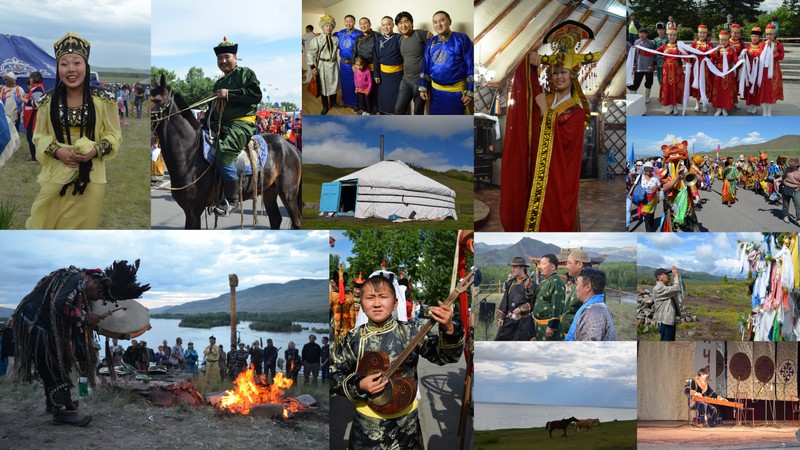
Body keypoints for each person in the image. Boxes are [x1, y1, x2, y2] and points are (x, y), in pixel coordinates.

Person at [330, 274, 463, 449]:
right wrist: (359, 385)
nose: (377, 303)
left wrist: (449, 328)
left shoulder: (412, 332)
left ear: (395, 303)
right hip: (366, 427)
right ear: (361, 304)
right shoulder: (354, 338)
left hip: (406, 427)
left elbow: (446, 357)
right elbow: (333, 374)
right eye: (370, 298)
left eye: (383, 297)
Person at [12, 260, 148, 426]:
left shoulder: (81, 283)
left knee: (51, 363)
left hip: (40, 325)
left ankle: (54, 403)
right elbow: (60, 303)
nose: (97, 298)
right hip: (34, 325)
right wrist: (85, 317)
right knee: (53, 364)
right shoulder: (75, 279)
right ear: (95, 282)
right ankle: (63, 411)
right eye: (99, 293)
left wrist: (87, 317)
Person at [500, 21, 599, 232]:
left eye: (563, 72)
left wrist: (545, 110)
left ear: (572, 74)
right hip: (534, 168)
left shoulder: (576, 110)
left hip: (556, 178)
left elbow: (564, 143)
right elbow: (527, 102)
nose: (558, 76)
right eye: (555, 72)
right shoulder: (544, 95)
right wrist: (531, 57)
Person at [26, 32, 121, 230]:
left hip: (91, 177)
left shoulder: (103, 99)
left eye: (77, 63)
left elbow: (113, 135)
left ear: (86, 66)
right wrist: (58, 151)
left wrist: (93, 151)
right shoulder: (47, 101)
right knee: (51, 225)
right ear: (57, 68)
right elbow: (39, 136)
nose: (71, 69)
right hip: (55, 176)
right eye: (64, 64)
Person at [205, 37, 262, 216]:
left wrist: (230, 93)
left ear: (235, 58)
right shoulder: (218, 83)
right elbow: (212, 109)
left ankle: (233, 200)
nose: (223, 61)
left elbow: (255, 95)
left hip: (241, 124)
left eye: (227, 57)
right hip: (220, 124)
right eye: (219, 58)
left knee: (224, 150)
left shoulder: (245, 73)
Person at [419, 11, 473, 115]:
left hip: (457, 93)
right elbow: (425, 66)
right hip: (436, 93)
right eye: (435, 22)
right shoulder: (430, 42)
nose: (438, 24)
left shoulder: (462, 39)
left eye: (442, 20)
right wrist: (423, 88)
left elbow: (470, 65)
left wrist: (470, 91)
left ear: (450, 21)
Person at [566, 268, 616, 341]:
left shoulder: (594, 313)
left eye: (577, 284)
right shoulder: (596, 308)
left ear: (588, 287)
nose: (576, 288)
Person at [394, 11, 429, 115]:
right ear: (397, 26)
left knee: (418, 111)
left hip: (420, 81)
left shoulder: (421, 34)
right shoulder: (400, 40)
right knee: (398, 110)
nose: (403, 25)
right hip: (405, 80)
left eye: (406, 22)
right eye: (400, 23)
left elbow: (434, 51)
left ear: (411, 22)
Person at [494, 257, 535, 341]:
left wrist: (521, 309)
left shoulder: (531, 283)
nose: (512, 269)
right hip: (510, 320)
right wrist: (501, 317)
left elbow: (534, 302)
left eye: (515, 267)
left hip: (524, 322)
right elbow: (505, 300)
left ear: (522, 268)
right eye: (512, 267)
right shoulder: (510, 283)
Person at [308, 15, 340, 115]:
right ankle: (325, 106)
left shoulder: (336, 39)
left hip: (334, 64)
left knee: (334, 83)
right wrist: (313, 67)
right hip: (323, 65)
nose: (329, 28)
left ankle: (333, 102)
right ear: (322, 27)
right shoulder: (317, 40)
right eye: (326, 25)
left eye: (330, 26)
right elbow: (310, 53)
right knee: (323, 86)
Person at [532, 254, 566, 341]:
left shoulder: (556, 281)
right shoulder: (544, 282)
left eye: (543, 264)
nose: (540, 267)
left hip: (548, 328)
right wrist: (529, 289)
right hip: (540, 326)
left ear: (552, 267)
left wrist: (551, 326)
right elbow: (534, 298)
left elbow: (557, 305)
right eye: (540, 264)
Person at [373, 16, 403, 114]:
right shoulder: (379, 40)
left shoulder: (400, 38)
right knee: (384, 96)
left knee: (396, 97)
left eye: (388, 24)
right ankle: (383, 113)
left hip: (397, 75)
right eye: (383, 25)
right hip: (383, 75)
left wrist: (425, 34)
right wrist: (376, 74)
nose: (386, 27)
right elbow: (376, 58)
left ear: (393, 25)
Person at [561, 249, 592, 334]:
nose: (567, 267)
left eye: (569, 263)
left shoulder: (589, 285)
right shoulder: (578, 283)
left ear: (579, 264)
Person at [655, 27, 684, 115]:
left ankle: (676, 107)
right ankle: (670, 107)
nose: (672, 37)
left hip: (677, 71)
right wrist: (639, 49)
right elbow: (653, 52)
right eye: (670, 35)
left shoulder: (679, 46)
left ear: (676, 36)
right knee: (667, 88)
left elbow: (685, 56)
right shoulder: (664, 46)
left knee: (676, 88)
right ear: (667, 35)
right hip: (666, 70)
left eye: (674, 35)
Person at [336, 15, 363, 110]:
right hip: (343, 63)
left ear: (354, 22)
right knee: (344, 83)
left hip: (354, 64)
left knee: (355, 84)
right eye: (346, 21)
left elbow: (361, 50)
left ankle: (355, 103)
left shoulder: (358, 34)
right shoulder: (340, 33)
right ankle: (346, 102)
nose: (348, 23)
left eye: (350, 21)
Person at [628, 161, 662, 232]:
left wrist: (656, 187)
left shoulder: (655, 177)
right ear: (644, 169)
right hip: (644, 200)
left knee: (652, 213)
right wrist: (630, 194)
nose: (648, 170)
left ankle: (652, 224)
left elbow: (659, 186)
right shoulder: (640, 176)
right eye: (647, 169)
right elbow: (634, 185)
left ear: (652, 169)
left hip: (653, 200)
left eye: (650, 169)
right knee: (646, 216)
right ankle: (649, 231)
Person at [354, 17, 378, 114]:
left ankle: (373, 110)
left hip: (372, 68)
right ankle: (363, 109)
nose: (363, 25)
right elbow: (354, 52)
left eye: (365, 23)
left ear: (370, 24)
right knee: (361, 91)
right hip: (360, 68)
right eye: (361, 24)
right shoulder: (358, 38)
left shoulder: (376, 35)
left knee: (373, 91)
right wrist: (353, 64)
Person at [759, 24, 783, 116]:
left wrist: (774, 51)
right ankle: (764, 111)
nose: (769, 36)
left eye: (771, 34)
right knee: (764, 91)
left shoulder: (779, 45)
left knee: (772, 91)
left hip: (775, 70)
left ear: (774, 34)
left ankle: (769, 111)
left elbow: (781, 57)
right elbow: (761, 56)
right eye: (767, 34)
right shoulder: (763, 44)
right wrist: (767, 48)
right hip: (764, 70)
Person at [710, 30, 736, 116]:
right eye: (721, 40)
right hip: (718, 72)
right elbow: (711, 61)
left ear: (728, 40)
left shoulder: (732, 50)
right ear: (719, 41)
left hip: (728, 73)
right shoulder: (717, 50)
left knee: (726, 91)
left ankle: (725, 108)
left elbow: (736, 61)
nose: (723, 42)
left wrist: (743, 59)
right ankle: (718, 108)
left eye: (725, 40)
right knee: (718, 91)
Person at [652, 267, 682, 341]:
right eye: (666, 274)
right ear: (659, 277)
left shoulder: (665, 287)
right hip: (665, 322)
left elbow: (674, 289)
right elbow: (676, 288)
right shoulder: (658, 288)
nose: (668, 276)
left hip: (668, 321)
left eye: (669, 274)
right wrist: (676, 276)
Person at [689, 25, 714, 113]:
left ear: (706, 34)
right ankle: (696, 103)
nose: (702, 35)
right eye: (700, 33)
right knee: (697, 85)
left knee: (705, 84)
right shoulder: (694, 43)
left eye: (704, 33)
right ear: (698, 33)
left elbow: (712, 54)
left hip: (705, 67)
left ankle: (704, 104)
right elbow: (689, 53)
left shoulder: (709, 44)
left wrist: (708, 60)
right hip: (696, 67)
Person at [23, 71, 46, 163]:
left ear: (33, 79)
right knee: (30, 136)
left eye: (30, 78)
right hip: (31, 116)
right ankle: (34, 154)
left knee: (31, 136)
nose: (29, 79)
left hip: (34, 117)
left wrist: (25, 100)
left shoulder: (38, 90)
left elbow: (37, 104)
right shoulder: (36, 88)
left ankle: (35, 158)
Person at [627, 28, 655, 103]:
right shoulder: (636, 42)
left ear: (646, 34)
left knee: (649, 82)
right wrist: (633, 64)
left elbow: (652, 55)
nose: (641, 34)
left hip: (648, 66)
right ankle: (633, 98)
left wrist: (651, 66)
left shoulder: (650, 43)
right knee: (636, 82)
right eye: (640, 33)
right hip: (638, 66)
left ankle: (647, 97)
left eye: (643, 33)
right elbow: (634, 54)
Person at [744, 27, 763, 114]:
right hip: (749, 70)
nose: (754, 38)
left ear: (759, 37)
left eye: (756, 36)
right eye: (752, 36)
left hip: (758, 70)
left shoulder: (762, 47)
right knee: (749, 87)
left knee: (756, 87)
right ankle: (750, 104)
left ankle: (755, 105)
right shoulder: (747, 47)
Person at [781, 157, 800, 224]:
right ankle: (785, 216)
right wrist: (783, 183)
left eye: (792, 164)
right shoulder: (787, 169)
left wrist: (799, 187)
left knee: (798, 204)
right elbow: (783, 177)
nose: (790, 165)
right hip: (787, 187)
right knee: (785, 203)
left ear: (796, 164)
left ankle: (798, 219)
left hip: (796, 189)